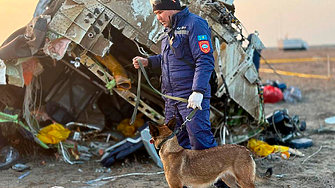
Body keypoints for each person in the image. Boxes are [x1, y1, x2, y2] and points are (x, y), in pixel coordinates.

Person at [132, 0, 229, 187]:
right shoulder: (169, 29)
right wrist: (149, 62)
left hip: (191, 98)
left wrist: (198, 91)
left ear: (172, 7)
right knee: (177, 145)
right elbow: (169, 60)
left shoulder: (195, 24)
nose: (158, 17)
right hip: (172, 100)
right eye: (155, 13)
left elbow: (204, 59)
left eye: (160, 12)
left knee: (201, 144)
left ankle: (220, 184)